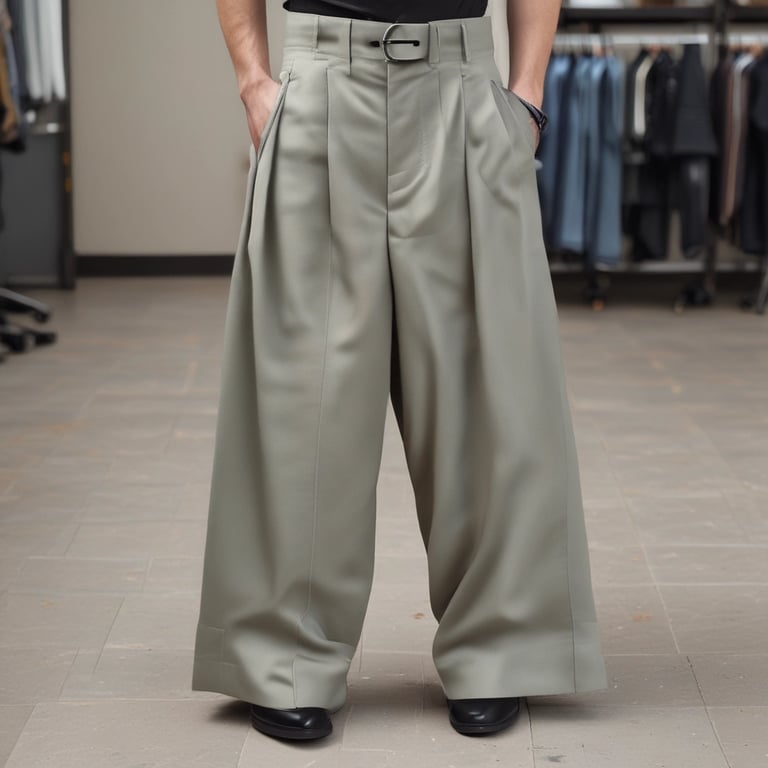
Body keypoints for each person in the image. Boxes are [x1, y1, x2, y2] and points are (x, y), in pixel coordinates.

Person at [192, 0, 608, 742]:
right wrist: (253, 79)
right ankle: (284, 657)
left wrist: (528, 94)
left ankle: (500, 650)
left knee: (487, 388)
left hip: (459, 82)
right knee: (300, 393)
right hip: (321, 79)